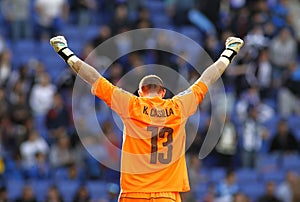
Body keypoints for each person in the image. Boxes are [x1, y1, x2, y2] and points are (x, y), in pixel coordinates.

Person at [50, 35, 244, 201]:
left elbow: (93, 77)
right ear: (163, 92)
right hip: (166, 193)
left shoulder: (131, 104)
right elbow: (208, 78)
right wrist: (229, 52)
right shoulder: (178, 106)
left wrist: (65, 51)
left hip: (134, 191)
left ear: (141, 92)